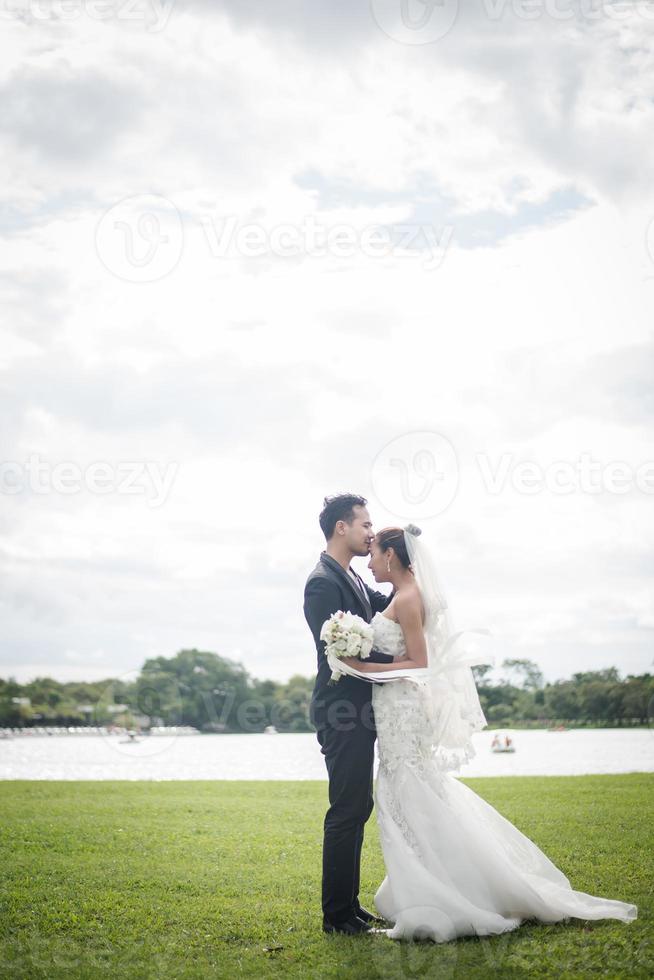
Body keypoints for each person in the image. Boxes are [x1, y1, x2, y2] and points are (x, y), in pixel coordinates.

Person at [335, 524, 638, 941]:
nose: (369, 563)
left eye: (374, 554)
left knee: (407, 793)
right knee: (409, 794)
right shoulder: (404, 595)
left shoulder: (408, 598)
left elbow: (420, 663)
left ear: (391, 555)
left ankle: (439, 899)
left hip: (402, 708)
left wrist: (366, 669)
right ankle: (430, 887)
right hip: (394, 708)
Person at [303, 493, 396, 935]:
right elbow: (339, 653)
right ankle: (337, 917)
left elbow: (391, 602)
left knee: (359, 805)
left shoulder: (353, 578)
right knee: (345, 809)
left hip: (362, 709)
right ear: (342, 527)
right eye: (365, 525)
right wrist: (404, 665)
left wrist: (410, 561)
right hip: (341, 711)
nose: (370, 533)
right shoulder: (322, 582)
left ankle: (350, 908)